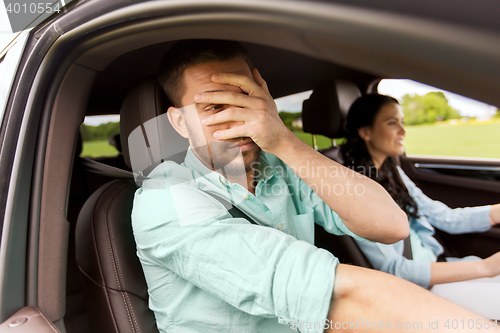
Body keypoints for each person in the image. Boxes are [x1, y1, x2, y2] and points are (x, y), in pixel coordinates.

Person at [131, 40, 491, 333]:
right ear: (180, 122)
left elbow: (391, 227)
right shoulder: (165, 200)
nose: (238, 122)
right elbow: (338, 297)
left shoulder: (283, 169)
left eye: (247, 99)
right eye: (214, 108)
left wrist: (284, 140)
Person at [342, 93, 500, 291]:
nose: (403, 131)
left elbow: (443, 216)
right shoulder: (355, 190)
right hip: (420, 288)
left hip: (437, 266)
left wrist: (495, 212)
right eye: (392, 123)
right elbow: (393, 269)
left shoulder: (392, 171)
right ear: (366, 132)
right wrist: (485, 267)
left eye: (402, 122)